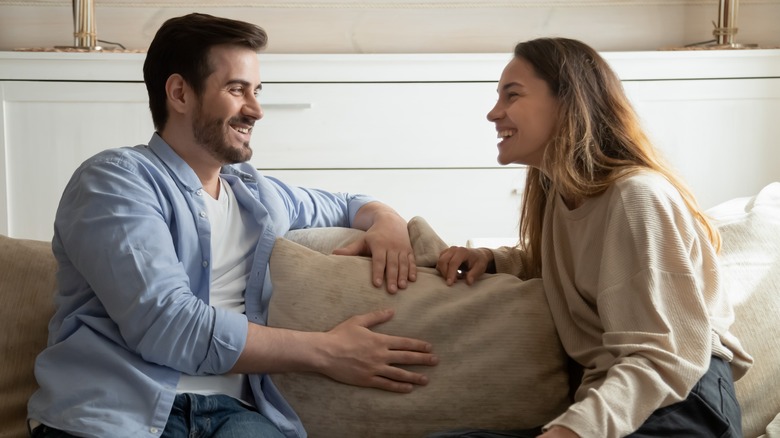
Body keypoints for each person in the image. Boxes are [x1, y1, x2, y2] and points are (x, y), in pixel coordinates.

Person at [27, 12, 438, 438]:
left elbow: (350, 203)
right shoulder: (116, 180)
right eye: (236, 89)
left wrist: (387, 220)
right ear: (180, 93)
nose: (256, 109)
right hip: (114, 414)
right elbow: (168, 326)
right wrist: (326, 351)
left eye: (257, 91)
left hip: (233, 416)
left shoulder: (257, 195)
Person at [433, 37, 753, 438]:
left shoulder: (638, 197)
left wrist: (572, 432)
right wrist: (493, 258)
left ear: (567, 101)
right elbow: (579, 261)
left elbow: (662, 357)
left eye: (511, 96)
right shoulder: (560, 198)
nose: (493, 114)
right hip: (620, 401)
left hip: (680, 404)